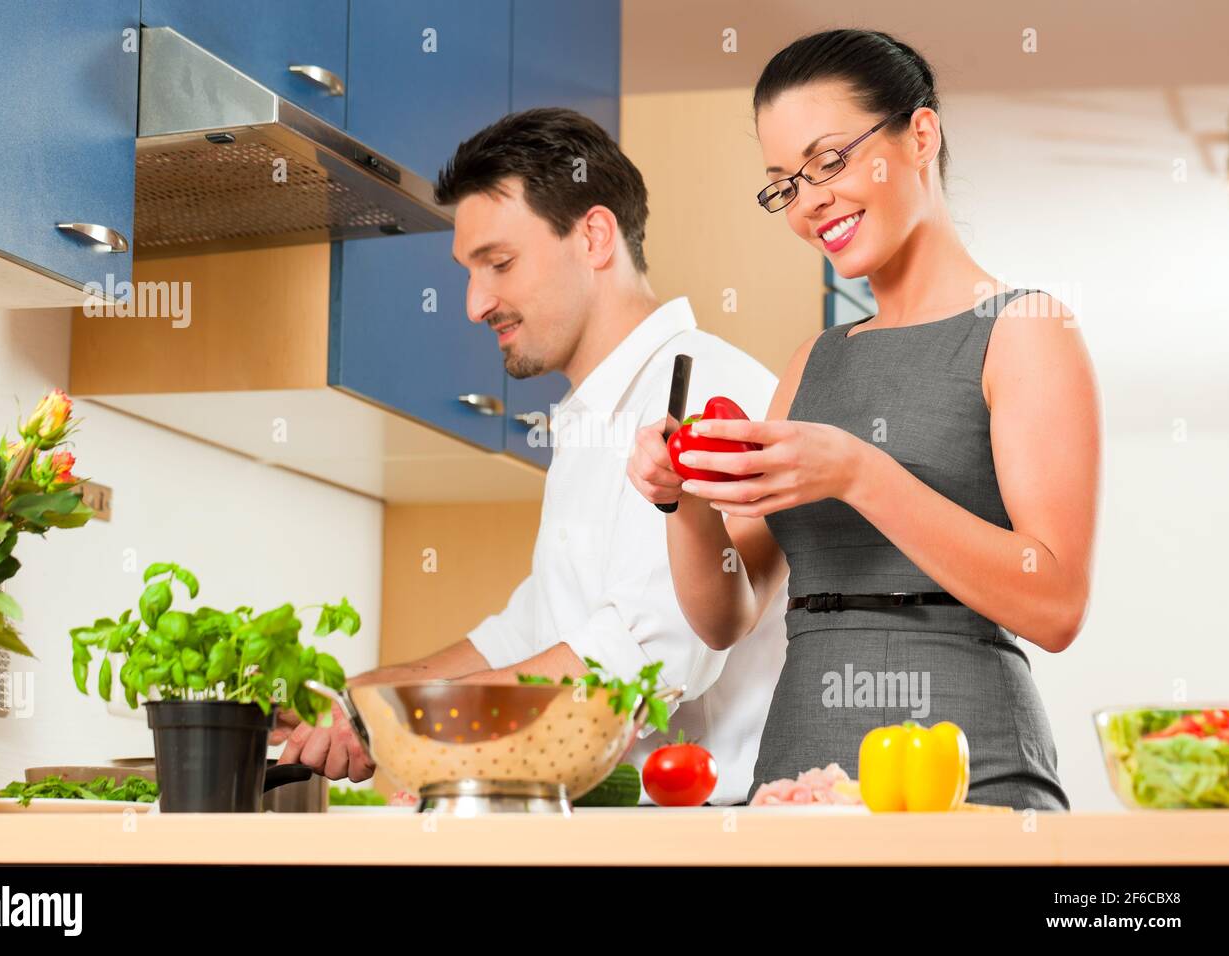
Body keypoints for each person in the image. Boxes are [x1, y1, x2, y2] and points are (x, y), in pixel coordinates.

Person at [627, 29, 1101, 810]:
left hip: (968, 769)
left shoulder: (1027, 329)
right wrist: (685, 504)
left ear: (919, 135)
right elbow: (726, 616)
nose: (809, 201)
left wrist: (860, 473)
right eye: (785, 182)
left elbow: (1054, 605)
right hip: (800, 772)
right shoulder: (812, 361)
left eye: (830, 161)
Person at [274, 107, 787, 805]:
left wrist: (397, 724)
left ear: (595, 237)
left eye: (500, 263)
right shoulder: (591, 416)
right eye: (469, 270)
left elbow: (644, 659)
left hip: (696, 836)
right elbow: (530, 633)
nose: (474, 303)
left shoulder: (703, 389)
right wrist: (358, 695)